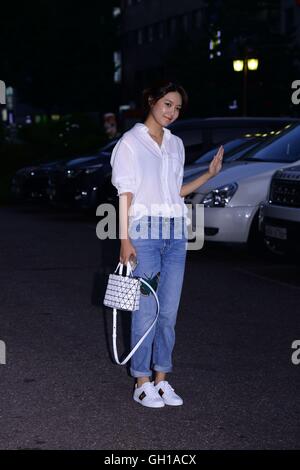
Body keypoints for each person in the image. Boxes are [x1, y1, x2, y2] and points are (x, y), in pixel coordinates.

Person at [110, 80, 223, 408]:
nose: (172, 112)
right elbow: (125, 195)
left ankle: (162, 379)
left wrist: (209, 175)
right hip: (144, 234)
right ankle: (141, 380)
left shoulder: (175, 144)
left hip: (175, 231)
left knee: (169, 312)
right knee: (146, 311)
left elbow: (175, 192)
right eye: (167, 104)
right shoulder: (130, 143)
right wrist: (124, 239)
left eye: (177, 108)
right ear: (151, 100)